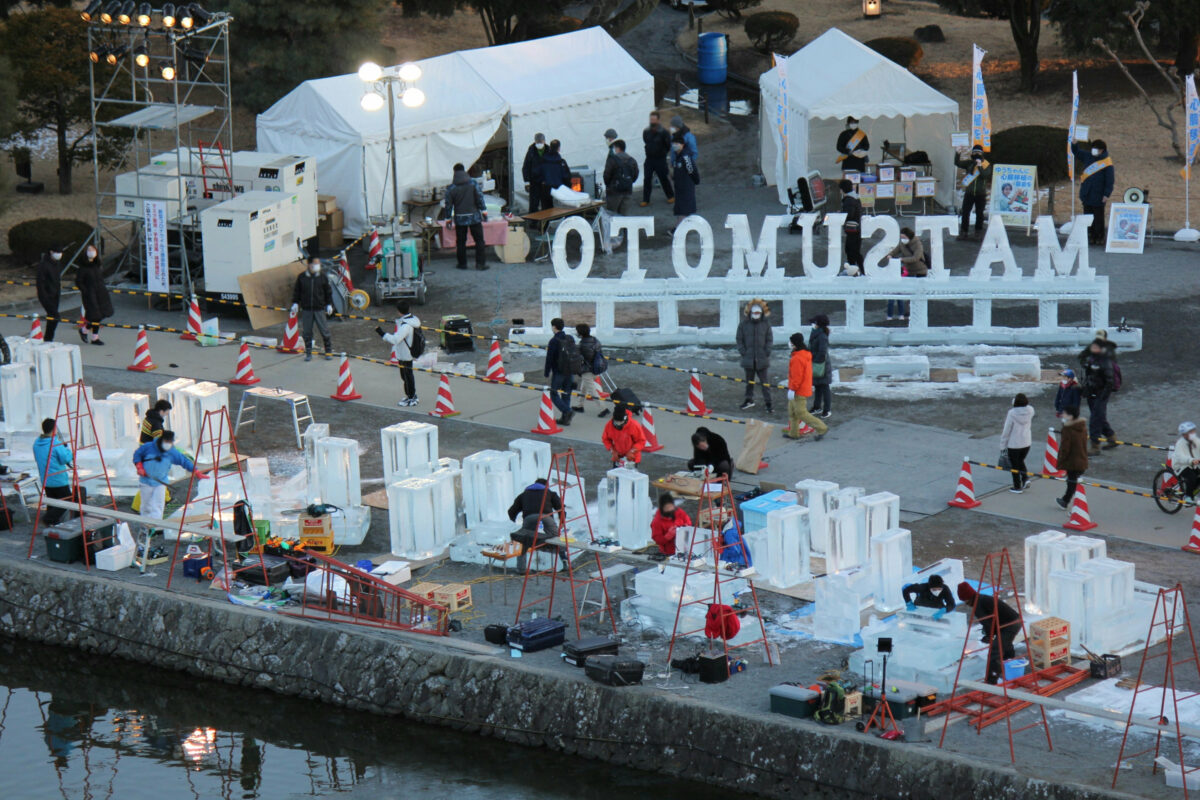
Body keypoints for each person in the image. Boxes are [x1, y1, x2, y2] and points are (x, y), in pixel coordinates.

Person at [133, 430, 208, 523]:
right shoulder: (148, 447)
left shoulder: (172, 452)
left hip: (160, 483)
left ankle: (155, 525)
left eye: (170, 442)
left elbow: (184, 461)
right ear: (162, 439)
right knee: (146, 505)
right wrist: (139, 466)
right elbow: (137, 454)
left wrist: (196, 471)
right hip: (146, 482)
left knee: (158, 505)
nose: (168, 444)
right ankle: (145, 524)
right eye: (166, 441)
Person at [957, 582, 1021, 685]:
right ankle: (1010, 668)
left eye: (965, 601)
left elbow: (988, 624)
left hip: (1010, 624)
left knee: (995, 651)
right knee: (1005, 645)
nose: (966, 604)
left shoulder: (978, 605)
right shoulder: (981, 598)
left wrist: (988, 637)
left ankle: (991, 681)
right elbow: (990, 620)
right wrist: (989, 633)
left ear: (968, 598)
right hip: (1012, 620)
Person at [507, 476, 563, 573]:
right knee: (557, 539)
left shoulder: (524, 495)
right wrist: (562, 521)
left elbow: (511, 511)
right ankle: (565, 562)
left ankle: (521, 569)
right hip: (546, 517)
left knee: (523, 540)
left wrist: (513, 519)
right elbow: (560, 507)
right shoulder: (550, 493)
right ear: (546, 486)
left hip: (529, 518)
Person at [444, 163, 489, 272]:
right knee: (479, 241)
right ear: (465, 171)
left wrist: (448, 219)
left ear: (454, 172)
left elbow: (448, 205)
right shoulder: (473, 183)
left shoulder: (451, 188)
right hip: (474, 217)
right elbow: (479, 198)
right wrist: (484, 211)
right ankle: (480, 264)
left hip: (460, 218)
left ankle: (462, 264)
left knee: (461, 242)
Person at [32, 418, 78, 525]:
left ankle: (52, 523)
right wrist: (69, 452)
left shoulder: (36, 443)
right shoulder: (55, 444)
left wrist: (61, 447)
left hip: (46, 480)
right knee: (67, 501)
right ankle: (49, 518)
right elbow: (65, 459)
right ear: (54, 429)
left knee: (52, 502)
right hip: (58, 480)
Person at [377, 301, 421, 407]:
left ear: (399, 311)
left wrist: (382, 333)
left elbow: (395, 339)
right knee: (406, 376)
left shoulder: (406, 326)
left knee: (407, 376)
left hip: (405, 354)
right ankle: (410, 395)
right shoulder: (411, 320)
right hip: (406, 353)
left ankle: (411, 397)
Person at [785, 332, 827, 440]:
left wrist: (792, 389)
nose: (789, 343)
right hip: (801, 388)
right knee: (793, 412)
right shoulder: (804, 354)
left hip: (798, 390)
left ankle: (822, 428)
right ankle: (793, 433)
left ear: (794, 344)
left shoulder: (797, 358)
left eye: (791, 342)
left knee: (801, 413)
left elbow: (797, 377)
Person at [1072, 138, 1114, 245]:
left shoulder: (1107, 163)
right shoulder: (1088, 156)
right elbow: (1077, 152)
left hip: (1099, 194)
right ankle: (1090, 236)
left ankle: (1099, 237)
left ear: (1102, 150)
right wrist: (1075, 144)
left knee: (1098, 217)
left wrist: (1106, 194)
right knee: (1087, 216)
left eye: (1096, 149)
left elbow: (1110, 180)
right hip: (1087, 192)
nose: (1093, 150)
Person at [290, 256, 333, 362]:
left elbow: (328, 292)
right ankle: (308, 353)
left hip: (319, 309)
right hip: (306, 309)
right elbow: (297, 292)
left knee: (324, 331)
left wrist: (329, 304)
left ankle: (328, 351)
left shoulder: (322, 277)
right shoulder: (302, 277)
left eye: (318, 263)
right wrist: (295, 302)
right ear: (309, 265)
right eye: (315, 263)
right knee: (307, 332)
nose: (318, 265)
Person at [1079, 338, 1117, 455]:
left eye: (1095, 347)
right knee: (1099, 417)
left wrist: (1103, 396)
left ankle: (1095, 446)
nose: (1092, 348)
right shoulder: (1091, 358)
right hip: (1092, 392)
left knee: (1095, 419)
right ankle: (1111, 437)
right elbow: (1082, 359)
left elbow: (1109, 381)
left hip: (1100, 394)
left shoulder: (1105, 361)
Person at [736, 300, 773, 412]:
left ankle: (768, 403)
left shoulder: (766, 324)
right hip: (748, 359)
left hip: (762, 359)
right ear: (750, 313)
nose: (756, 315)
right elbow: (739, 339)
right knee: (749, 382)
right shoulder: (743, 324)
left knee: (764, 383)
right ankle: (749, 400)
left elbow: (769, 339)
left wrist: (766, 352)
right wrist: (743, 352)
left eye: (758, 313)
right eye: (754, 313)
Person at [75, 243, 112, 345]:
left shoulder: (97, 265)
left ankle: (86, 331)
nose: (92, 252)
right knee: (95, 315)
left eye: (93, 250)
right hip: (90, 295)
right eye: (89, 250)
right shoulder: (83, 267)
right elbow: (79, 281)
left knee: (102, 314)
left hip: (101, 293)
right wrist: (85, 291)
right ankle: (93, 336)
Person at [887, 227, 926, 321]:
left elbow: (916, 258)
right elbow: (896, 250)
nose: (902, 239)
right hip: (909, 271)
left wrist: (902, 259)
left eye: (904, 237)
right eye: (901, 237)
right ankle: (909, 312)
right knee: (909, 291)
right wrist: (890, 255)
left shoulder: (918, 244)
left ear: (909, 236)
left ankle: (916, 311)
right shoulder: (902, 243)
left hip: (920, 271)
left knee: (917, 292)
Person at [1055, 405, 1089, 509]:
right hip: (1081, 458)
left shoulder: (1068, 429)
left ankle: (1066, 501)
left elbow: (1065, 447)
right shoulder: (1082, 426)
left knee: (1071, 482)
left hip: (1072, 460)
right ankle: (1067, 500)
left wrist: (1061, 460)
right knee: (1073, 481)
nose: (1063, 415)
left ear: (1070, 416)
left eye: (1065, 413)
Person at [543, 317, 576, 426]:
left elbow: (549, 358)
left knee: (553, 393)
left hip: (559, 371)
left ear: (554, 327)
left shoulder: (553, 341)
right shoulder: (570, 338)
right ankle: (565, 418)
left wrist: (547, 373)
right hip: (570, 370)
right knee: (566, 394)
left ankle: (567, 411)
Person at [1000, 393, 1035, 493]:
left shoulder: (1012, 413)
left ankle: (1017, 486)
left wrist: (1003, 445)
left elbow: (1007, 430)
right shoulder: (1030, 410)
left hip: (1014, 444)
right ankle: (1025, 478)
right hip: (1026, 442)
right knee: (1020, 461)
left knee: (1014, 466)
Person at [954, 145, 991, 239]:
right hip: (969, 192)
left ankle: (978, 232)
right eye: (974, 152)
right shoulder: (969, 163)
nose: (976, 154)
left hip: (980, 193)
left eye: (978, 152)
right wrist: (958, 153)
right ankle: (964, 231)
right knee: (965, 212)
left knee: (979, 213)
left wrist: (980, 166)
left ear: (982, 154)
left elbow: (985, 175)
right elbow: (957, 163)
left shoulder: (986, 164)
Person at [572, 323, 608, 416]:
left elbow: (579, 358)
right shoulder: (595, 340)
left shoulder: (583, 345)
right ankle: (580, 405)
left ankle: (603, 409)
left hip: (587, 370)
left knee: (592, 391)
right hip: (597, 368)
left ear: (580, 333)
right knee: (583, 387)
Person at [641, 111, 674, 207]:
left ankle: (670, 196)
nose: (652, 121)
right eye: (651, 119)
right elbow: (645, 141)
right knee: (647, 178)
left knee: (663, 178)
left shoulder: (664, 132)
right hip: (649, 159)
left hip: (660, 159)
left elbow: (668, 145)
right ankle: (646, 199)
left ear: (658, 120)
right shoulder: (646, 131)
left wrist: (662, 153)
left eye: (654, 120)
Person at [670, 132, 698, 231]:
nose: (675, 145)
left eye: (677, 143)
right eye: (673, 143)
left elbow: (692, 170)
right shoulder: (677, 156)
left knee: (684, 208)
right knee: (680, 208)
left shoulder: (685, 157)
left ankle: (678, 228)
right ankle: (681, 226)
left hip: (686, 186)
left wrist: (695, 181)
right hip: (679, 187)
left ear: (682, 144)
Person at [602, 139, 639, 215]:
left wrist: (609, 185)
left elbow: (606, 175)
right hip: (627, 190)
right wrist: (628, 182)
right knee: (624, 216)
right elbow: (635, 174)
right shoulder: (632, 160)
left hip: (614, 192)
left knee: (611, 215)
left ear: (617, 148)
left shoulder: (612, 160)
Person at [36, 245, 63, 342]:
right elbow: (40, 282)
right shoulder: (44, 265)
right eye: (57, 252)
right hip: (46, 295)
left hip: (55, 294)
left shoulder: (57, 264)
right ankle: (48, 338)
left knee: (52, 317)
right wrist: (44, 296)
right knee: (55, 316)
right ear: (51, 252)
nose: (59, 254)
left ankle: (49, 338)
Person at [808, 314, 833, 419]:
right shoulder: (816, 333)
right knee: (817, 386)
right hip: (816, 364)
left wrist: (815, 361)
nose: (813, 324)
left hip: (821, 365)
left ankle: (827, 409)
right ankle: (817, 406)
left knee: (824, 387)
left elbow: (822, 352)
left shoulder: (821, 336)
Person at [838, 179, 864, 276]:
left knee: (851, 251)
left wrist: (841, 214)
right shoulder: (855, 198)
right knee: (854, 251)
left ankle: (856, 270)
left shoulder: (849, 200)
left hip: (853, 230)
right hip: (856, 229)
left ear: (842, 189)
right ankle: (858, 270)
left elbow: (849, 214)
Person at [522, 132, 551, 214]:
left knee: (547, 204)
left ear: (544, 141)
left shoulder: (549, 150)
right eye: (537, 142)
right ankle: (533, 220)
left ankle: (548, 220)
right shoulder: (531, 151)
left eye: (540, 142)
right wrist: (527, 182)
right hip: (534, 182)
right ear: (535, 141)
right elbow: (526, 166)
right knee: (533, 205)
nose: (539, 144)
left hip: (546, 182)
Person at [1171, 422, 1200, 498]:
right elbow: (1180, 457)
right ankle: (1188, 497)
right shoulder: (1180, 443)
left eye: (1193, 431)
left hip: (1193, 464)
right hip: (1181, 465)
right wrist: (1191, 460)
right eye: (1191, 432)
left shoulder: (1196, 441)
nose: (1193, 433)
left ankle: (1191, 490)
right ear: (1184, 434)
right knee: (1192, 477)